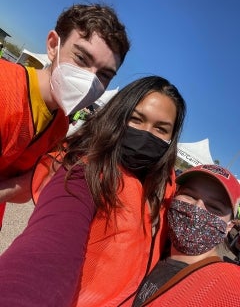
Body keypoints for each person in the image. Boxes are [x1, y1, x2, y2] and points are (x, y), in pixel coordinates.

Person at [0, 75, 186, 306]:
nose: (146, 133)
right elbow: (52, 244)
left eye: (161, 128)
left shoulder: (165, 185)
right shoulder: (85, 170)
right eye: (136, 119)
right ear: (120, 116)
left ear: (171, 138)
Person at [0, 3, 130, 228]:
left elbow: (30, 185)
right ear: (53, 45)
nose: (90, 79)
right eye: (81, 58)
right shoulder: (5, 86)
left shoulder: (60, 124)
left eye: (105, 74)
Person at [131, 164, 240, 307]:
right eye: (190, 195)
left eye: (214, 207)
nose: (197, 208)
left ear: (229, 227)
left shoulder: (218, 290)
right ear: (175, 195)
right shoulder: (150, 246)